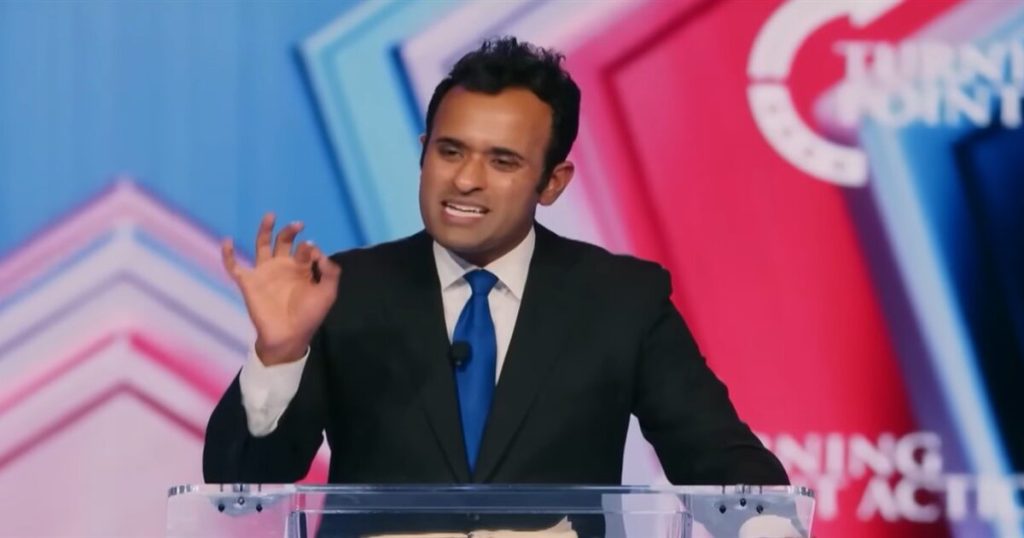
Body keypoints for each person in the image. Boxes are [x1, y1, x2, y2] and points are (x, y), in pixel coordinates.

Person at [204, 35, 786, 506]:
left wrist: (765, 525)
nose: (465, 180)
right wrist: (279, 355)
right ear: (424, 151)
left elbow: (719, 459)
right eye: (450, 151)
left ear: (552, 182)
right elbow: (240, 483)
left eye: (502, 161)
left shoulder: (620, 299)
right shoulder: (343, 291)